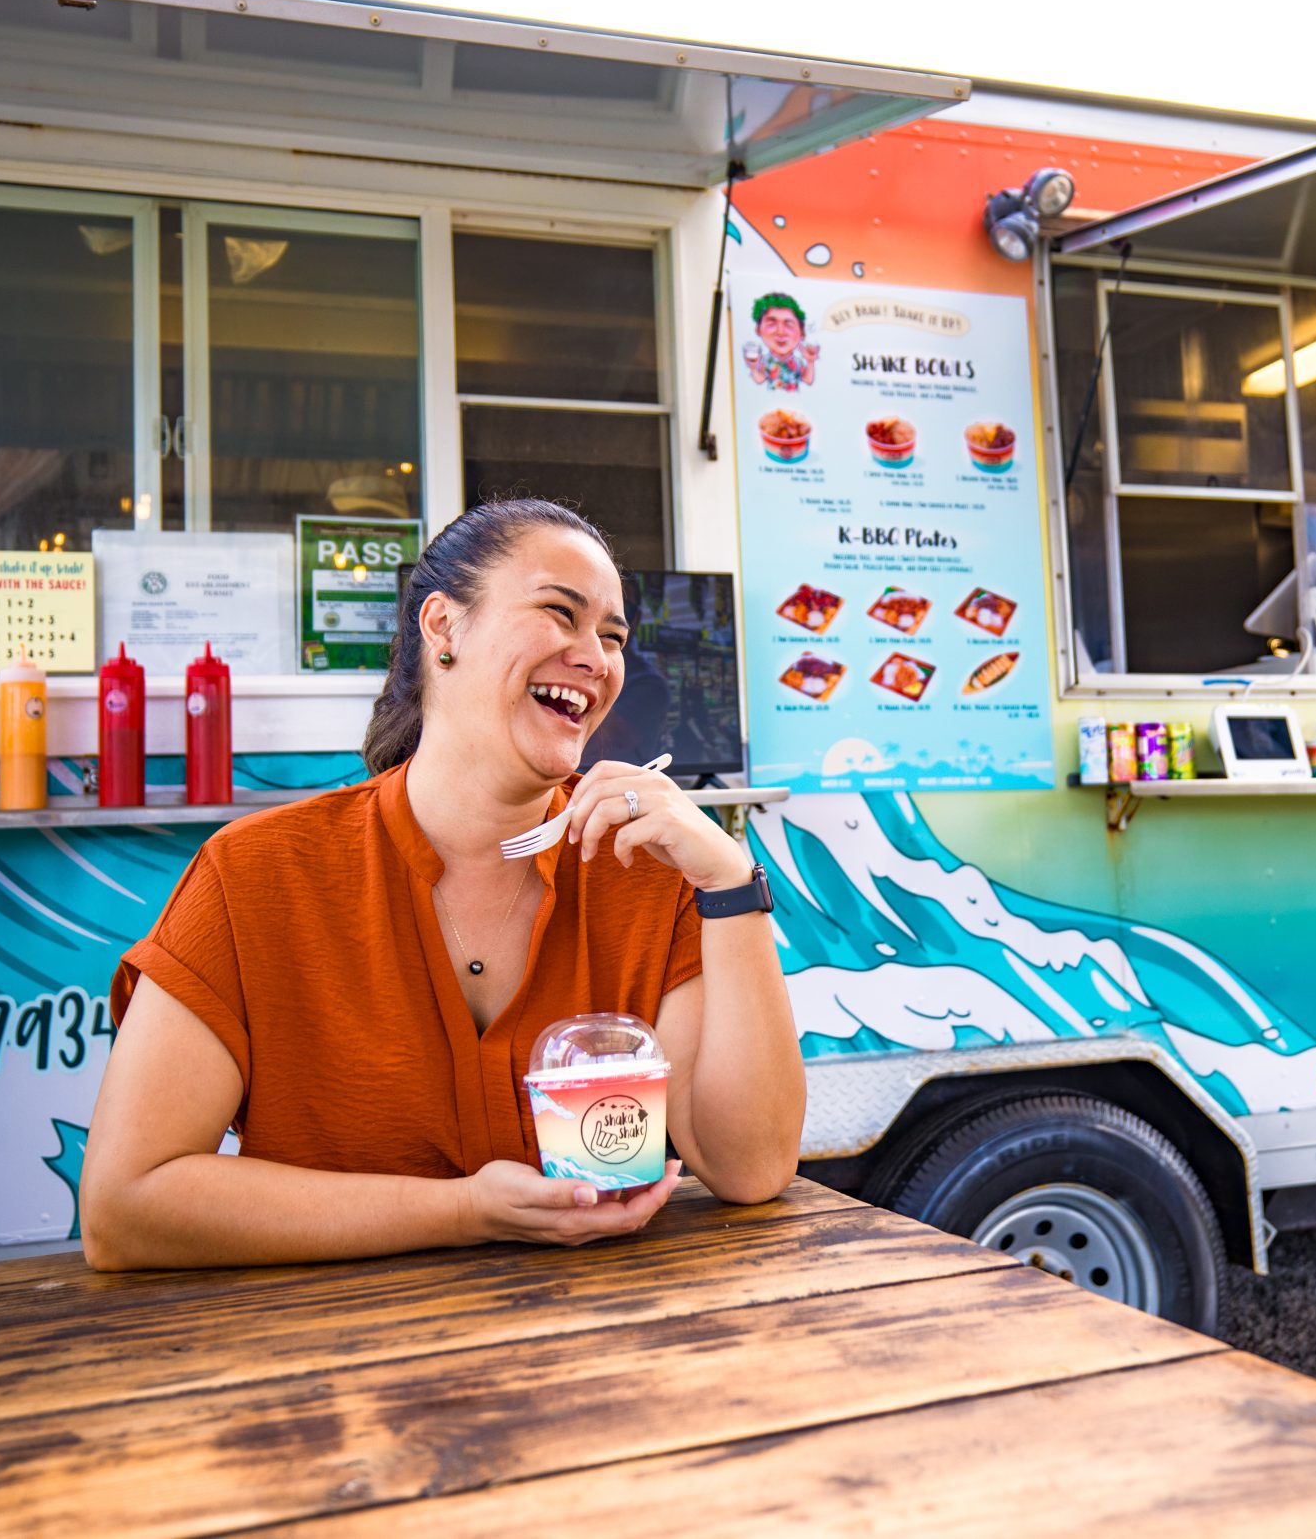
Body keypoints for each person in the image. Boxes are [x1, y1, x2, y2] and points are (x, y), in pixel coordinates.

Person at [79, 499, 803, 1269]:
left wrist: (728, 880)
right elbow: (126, 1207)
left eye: (614, 638)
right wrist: (463, 1211)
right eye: (561, 613)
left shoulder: (649, 876)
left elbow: (750, 1168)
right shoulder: (255, 876)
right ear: (443, 627)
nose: (597, 657)